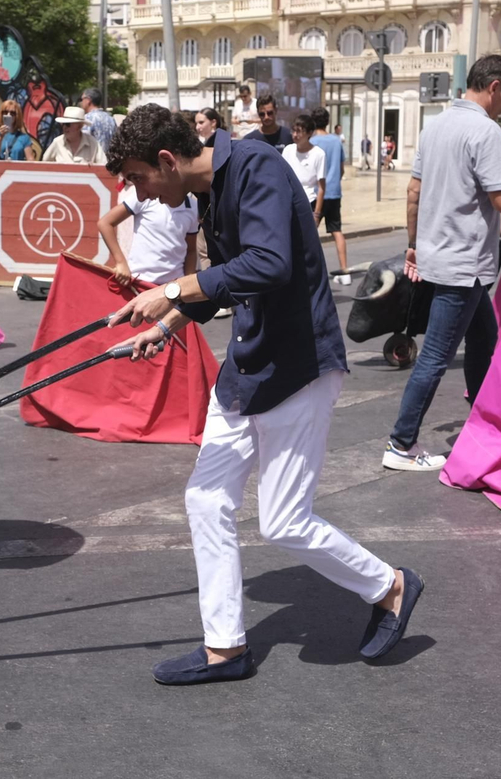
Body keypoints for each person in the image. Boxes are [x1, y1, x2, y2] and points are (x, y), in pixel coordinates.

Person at [104, 104, 422, 684]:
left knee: (284, 523)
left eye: (137, 179)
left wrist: (172, 287)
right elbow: (229, 278)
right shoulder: (208, 187)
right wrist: (166, 324)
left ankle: (391, 585)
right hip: (249, 366)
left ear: (168, 161)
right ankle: (225, 649)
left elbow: (269, 265)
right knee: (206, 501)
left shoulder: (256, 168)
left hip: (298, 367)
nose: (138, 195)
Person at [383, 55, 501, 471]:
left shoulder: (436, 125)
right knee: (435, 357)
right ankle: (400, 443)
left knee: (485, 344)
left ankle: (487, 429)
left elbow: (414, 191)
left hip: (440, 256)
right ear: (494, 87)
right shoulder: (485, 131)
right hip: (463, 264)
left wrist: (414, 242)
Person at [97, 171, 199, 287]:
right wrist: (121, 262)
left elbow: (191, 251)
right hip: (138, 282)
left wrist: (187, 283)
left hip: (172, 289)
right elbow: (105, 223)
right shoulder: (145, 197)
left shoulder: (193, 207)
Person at [309, 107, 350, 283]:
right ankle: (345, 270)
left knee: (310, 233)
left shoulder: (311, 142)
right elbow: (341, 168)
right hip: (334, 192)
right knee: (336, 230)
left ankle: (311, 273)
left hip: (315, 193)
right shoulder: (336, 141)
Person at [283, 113, 326, 216]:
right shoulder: (288, 150)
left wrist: (317, 213)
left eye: (299, 131)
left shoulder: (319, 154)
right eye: (293, 130)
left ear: (309, 133)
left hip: (308, 202)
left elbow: (322, 187)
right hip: (289, 202)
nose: (294, 135)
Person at [40, 106, 106, 164]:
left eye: (68, 124)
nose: (64, 127)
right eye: (63, 124)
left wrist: (93, 168)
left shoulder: (92, 143)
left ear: (79, 126)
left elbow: (104, 165)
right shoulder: (57, 142)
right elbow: (44, 164)